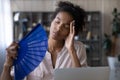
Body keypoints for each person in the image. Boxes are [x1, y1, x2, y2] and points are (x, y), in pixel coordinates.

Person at [0, 1, 87, 80]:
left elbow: (81, 78)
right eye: (57, 22)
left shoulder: (77, 48)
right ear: (51, 21)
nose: (59, 27)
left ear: (73, 31)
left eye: (66, 26)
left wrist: (71, 50)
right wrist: (7, 65)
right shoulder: (29, 48)